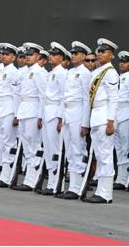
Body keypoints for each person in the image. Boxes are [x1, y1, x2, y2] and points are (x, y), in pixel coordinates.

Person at [81, 38, 119, 203]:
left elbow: (113, 99)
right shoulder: (97, 71)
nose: (99, 54)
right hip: (96, 115)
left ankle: (106, 193)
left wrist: (111, 121)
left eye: (103, 51)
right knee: (99, 154)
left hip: (104, 116)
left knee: (105, 156)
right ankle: (101, 190)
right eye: (99, 51)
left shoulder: (110, 72)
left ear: (111, 55)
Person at [56, 41, 92, 199]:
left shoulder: (85, 73)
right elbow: (63, 97)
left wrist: (85, 123)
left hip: (78, 111)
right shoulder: (69, 72)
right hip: (68, 111)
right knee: (69, 150)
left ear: (84, 56)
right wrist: (61, 117)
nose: (73, 56)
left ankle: (78, 186)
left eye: (77, 53)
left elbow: (86, 99)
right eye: (72, 53)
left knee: (78, 148)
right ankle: (72, 185)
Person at [12, 42, 46, 191]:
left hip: (34, 110)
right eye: (26, 55)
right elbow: (20, 95)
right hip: (25, 110)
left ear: (38, 56)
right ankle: (28, 179)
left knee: (34, 145)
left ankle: (32, 180)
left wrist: (40, 116)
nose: (28, 57)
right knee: (26, 146)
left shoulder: (39, 72)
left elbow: (43, 96)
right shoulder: (25, 72)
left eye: (31, 55)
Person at [0, 43, 21, 188]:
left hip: (9, 108)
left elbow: (16, 95)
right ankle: (3, 174)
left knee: (8, 141)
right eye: (3, 54)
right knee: (1, 141)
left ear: (13, 57)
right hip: (0, 107)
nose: (4, 56)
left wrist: (16, 114)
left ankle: (7, 176)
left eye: (7, 54)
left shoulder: (14, 72)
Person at [38, 41, 68, 195]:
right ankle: (51, 182)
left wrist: (60, 118)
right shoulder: (51, 73)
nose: (51, 57)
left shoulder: (62, 73)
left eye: (55, 55)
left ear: (61, 58)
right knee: (48, 148)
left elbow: (64, 97)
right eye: (51, 54)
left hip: (55, 112)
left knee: (55, 149)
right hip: (47, 112)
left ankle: (57, 183)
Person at [113, 50, 129, 190]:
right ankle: (120, 177)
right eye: (121, 62)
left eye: (125, 62)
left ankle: (124, 179)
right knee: (118, 148)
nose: (122, 64)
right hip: (116, 114)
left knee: (125, 147)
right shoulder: (117, 77)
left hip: (126, 113)